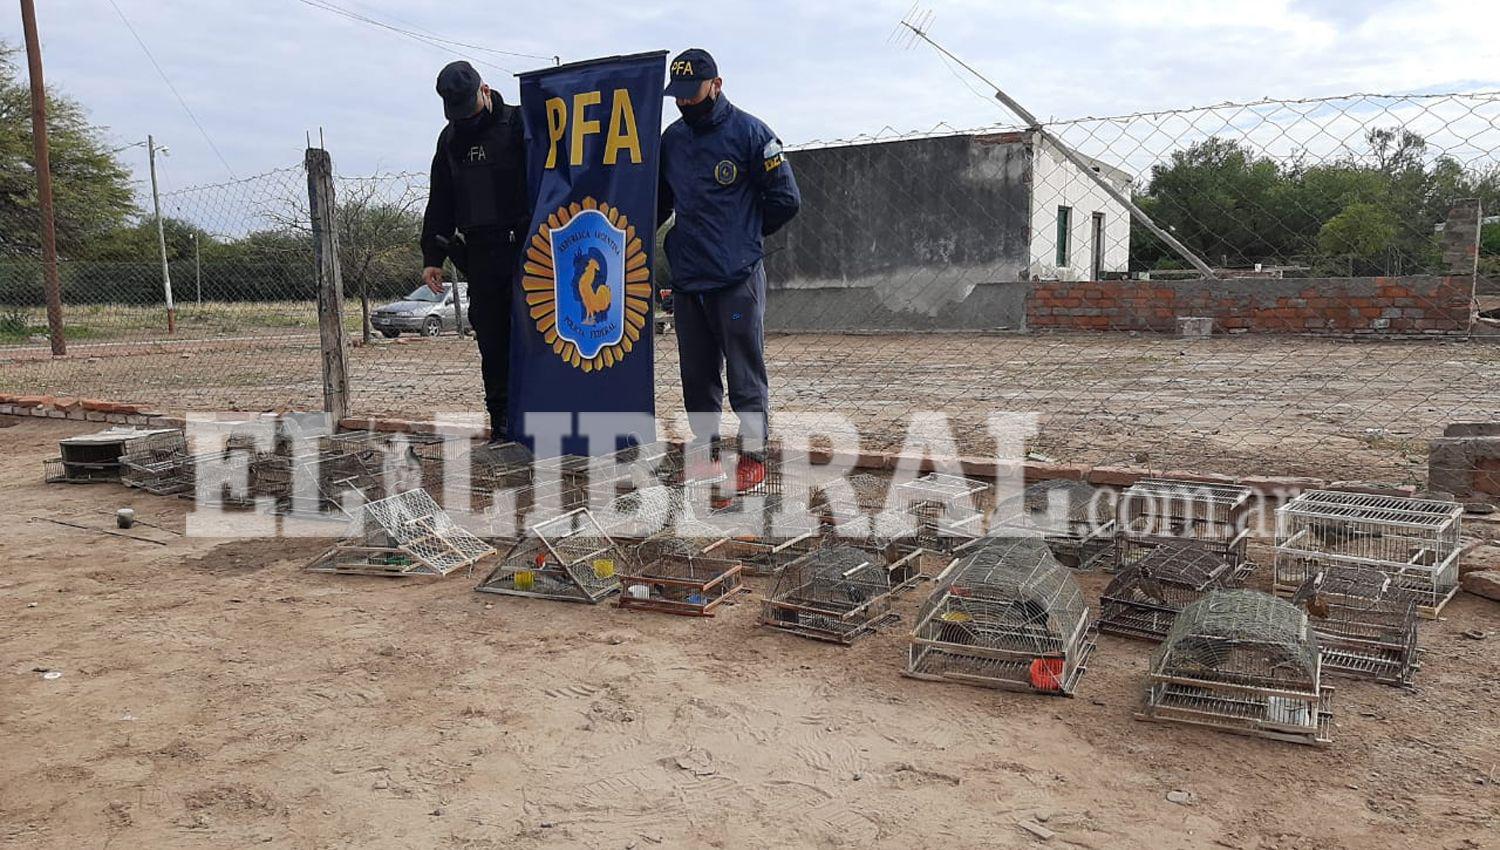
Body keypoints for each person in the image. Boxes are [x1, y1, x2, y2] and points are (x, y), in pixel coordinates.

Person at [657, 48, 801, 493]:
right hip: (688, 282)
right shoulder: (672, 140)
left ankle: (754, 457)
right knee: (697, 375)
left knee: (744, 371)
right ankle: (705, 457)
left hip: (736, 281)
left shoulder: (751, 134)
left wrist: (744, 239)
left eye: (692, 93)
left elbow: (786, 199)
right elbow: (660, 203)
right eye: (677, 96)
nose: (684, 102)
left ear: (716, 85)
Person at [420, 60, 530, 441]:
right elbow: (441, 200)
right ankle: (501, 425)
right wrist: (432, 257)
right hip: (480, 255)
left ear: (485, 91)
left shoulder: (518, 123)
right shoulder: (449, 140)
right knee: (493, 344)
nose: (464, 119)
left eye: (469, 109)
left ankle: (540, 421)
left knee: (534, 339)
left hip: (526, 251)